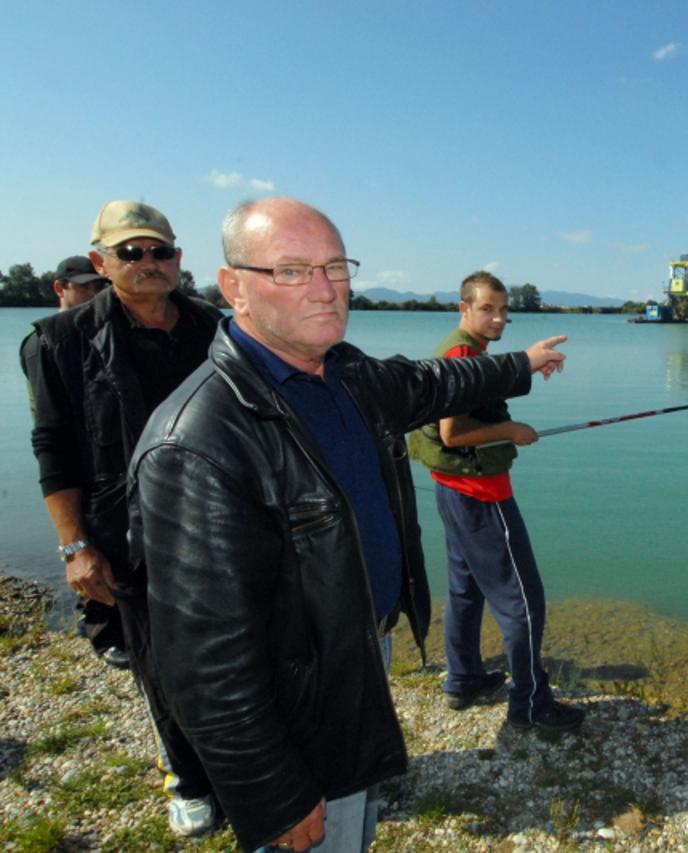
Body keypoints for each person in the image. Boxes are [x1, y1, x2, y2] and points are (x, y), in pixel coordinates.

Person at [128, 197, 567, 852]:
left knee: (354, 825)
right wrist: (269, 789)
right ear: (234, 288)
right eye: (293, 270)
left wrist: (522, 364)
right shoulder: (195, 440)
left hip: (357, 647)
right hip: (294, 688)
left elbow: (432, 381)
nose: (327, 288)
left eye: (336, 267)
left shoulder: (345, 373)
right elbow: (202, 654)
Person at [24, 203, 221, 835]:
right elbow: (52, 447)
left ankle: (238, 766)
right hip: (125, 526)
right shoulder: (58, 341)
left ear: (178, 260)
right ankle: (185, 777)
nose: (148, 264)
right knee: (157, 659)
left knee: (231, 650)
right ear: (101, 262)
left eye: (159, 252)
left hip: (219, 517)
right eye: (131, 253)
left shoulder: (215, 328)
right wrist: (74, 545)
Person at [408, 272, 585, 732]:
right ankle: (530, 704)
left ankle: (463, 679)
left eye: (504, 310)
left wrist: (526, 366)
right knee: (523, 601)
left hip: (453, 492)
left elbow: (477, 392)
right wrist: (512, 430)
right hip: (481, 496)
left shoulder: (467, 350)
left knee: (465, 590)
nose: (499, 318)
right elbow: (453, 432)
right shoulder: (460, 353)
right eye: (488, 309)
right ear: (463, 308)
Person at [19, 256, 124, 666]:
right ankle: (97, 619)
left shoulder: (94, 336)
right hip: (69, 463)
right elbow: (46, 424)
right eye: (83, 286)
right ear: (60, 289)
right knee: (82, 539)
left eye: (99, 286)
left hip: (98, 458)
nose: (93, 294)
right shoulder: (42, 343)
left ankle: (105, 616)